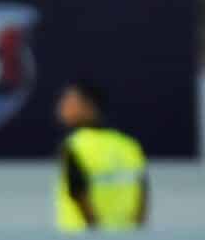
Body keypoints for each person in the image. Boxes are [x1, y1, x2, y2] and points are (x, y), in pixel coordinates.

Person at [54, 81, 148, 232]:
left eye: (70, 101)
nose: (62, 107)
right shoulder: (129, 145)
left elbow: (78, 194)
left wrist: (98, 236)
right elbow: (143, 199)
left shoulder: (75, 145)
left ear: (89, 106)